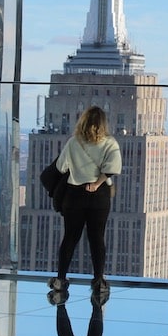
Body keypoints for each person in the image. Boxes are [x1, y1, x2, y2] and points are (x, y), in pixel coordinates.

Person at [49, 106, 121, 299]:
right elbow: (113, 167)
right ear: (103, 124)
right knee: (97, 238)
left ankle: (60, 280)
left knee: (70, 238)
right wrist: (97, 183)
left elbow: (61, 167)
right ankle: (99, 280)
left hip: (74, 195)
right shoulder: (110, 143)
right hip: (99, 196)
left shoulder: (74, 142)